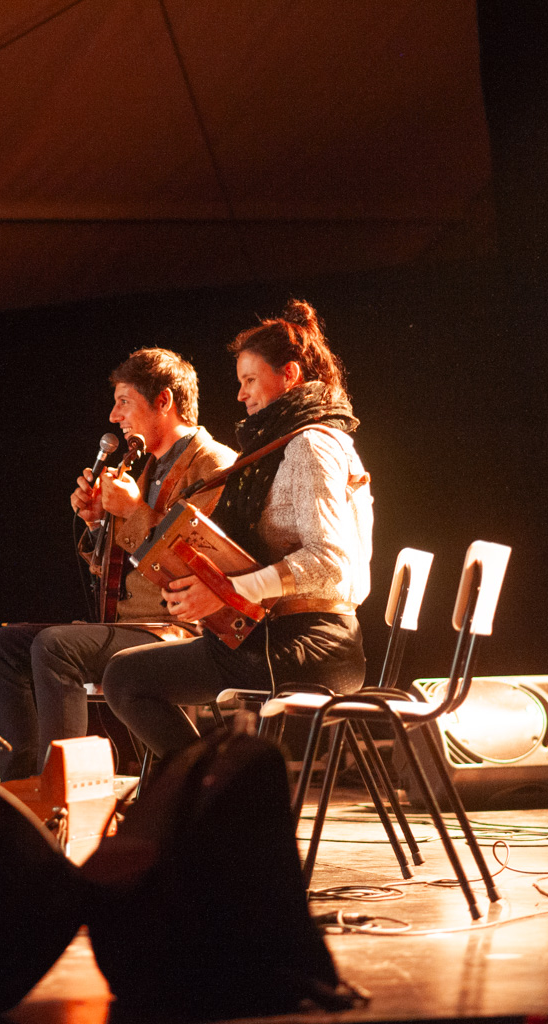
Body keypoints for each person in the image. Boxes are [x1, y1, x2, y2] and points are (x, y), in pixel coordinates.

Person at [102, 300, 373, 759]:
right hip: (289, 634)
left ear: (289, 376)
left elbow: (331, 563)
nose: (241, 394)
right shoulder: (291, 443)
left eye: (250, 380)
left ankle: (209, 787)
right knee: (126, 674)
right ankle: (213, 784)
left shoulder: (311, 445)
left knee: (125, 679)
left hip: (311, 644)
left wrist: (227, 591)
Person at [0, 348, 234, 780]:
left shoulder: (213, 464)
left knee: (55, 647)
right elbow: (117, 569)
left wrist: (132, 511)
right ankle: (21, 789)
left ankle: (63, 792)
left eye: (124, 402)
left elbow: (198, 563)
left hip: (178, 629)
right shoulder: (148, 467)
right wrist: (98, 522)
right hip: (129, 626)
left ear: (164, 401)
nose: (115, 416)